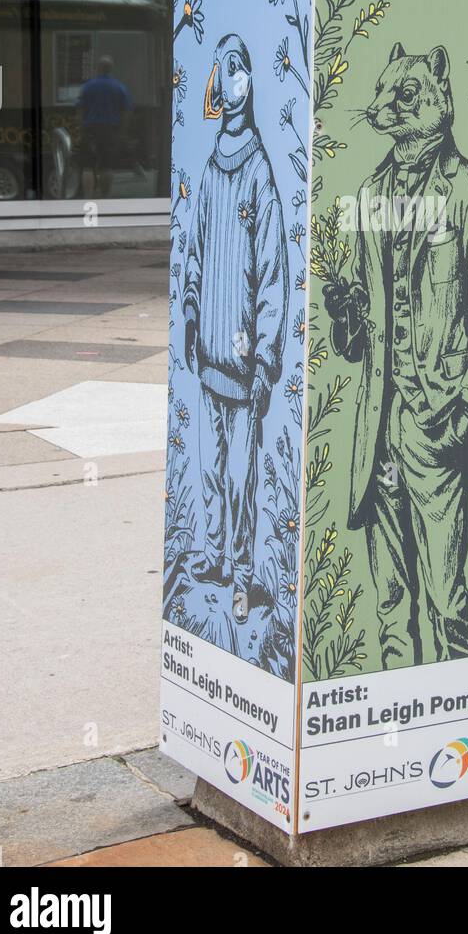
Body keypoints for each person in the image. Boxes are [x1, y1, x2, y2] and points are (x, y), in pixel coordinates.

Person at [324, 42, 468, 667]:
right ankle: (391, 713)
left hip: (437, 424)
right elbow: (353, 345)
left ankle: (453, 707)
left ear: (439, 97)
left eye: (406, 96)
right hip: (376, 430)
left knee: (447, 593)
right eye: (386, 94)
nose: (388, 106)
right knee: (388, 596)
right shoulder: (370, 191)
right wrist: (341, 309)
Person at [183, 34, 288, 625]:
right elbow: (195, 254)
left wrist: (267, 356)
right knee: (210, 465)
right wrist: (193, 321)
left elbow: (272, 271)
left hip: (246, 363)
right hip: (209, 355)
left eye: (239, 70)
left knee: (244, 475)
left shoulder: (258, 172)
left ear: (250, 83)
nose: (231, 82)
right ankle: (216, 556)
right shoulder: (208, 167)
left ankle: (245, 575)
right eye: (223, 72)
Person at [78, 55, 132, 198]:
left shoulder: (88, 87)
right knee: (107, 166)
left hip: (90, 128)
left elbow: (80, 110)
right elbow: (126, 112)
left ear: (98, 68)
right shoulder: (120, 88)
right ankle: (104, 197)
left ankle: (88, 197)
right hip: (111, 130)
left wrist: (81, 129)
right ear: (111, 69)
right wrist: (122, 132)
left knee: (88, 166)